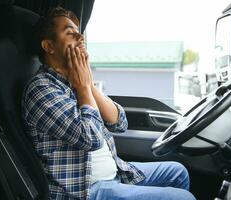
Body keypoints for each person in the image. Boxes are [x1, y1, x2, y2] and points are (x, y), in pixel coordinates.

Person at [22, 7, 196, 200]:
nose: (80, 37)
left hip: (115, 172)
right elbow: (91, 138)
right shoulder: (41, 89)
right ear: (49, 46)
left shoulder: (75, 82)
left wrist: (86, 83)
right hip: (85, 190)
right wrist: (84, 87)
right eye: (70, 33)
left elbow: (120, 123)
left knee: (177, 172)